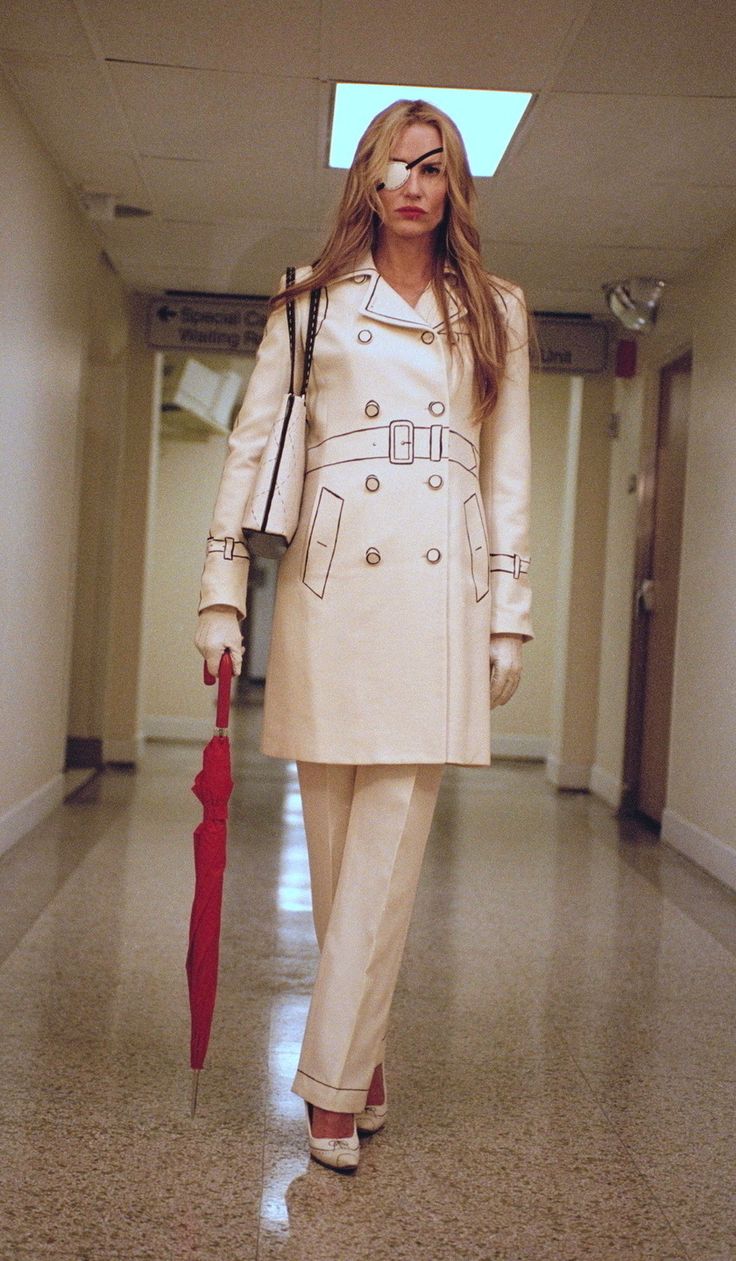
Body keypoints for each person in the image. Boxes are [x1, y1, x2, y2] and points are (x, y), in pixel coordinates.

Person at [195, 98, 533, 1172]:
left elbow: (509, 468)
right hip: (331, 581)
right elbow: (251, 448)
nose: (412, 187)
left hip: (439, 587)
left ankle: (332, 1083)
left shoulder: (497, 309)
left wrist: (509, 609)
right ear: (365, 181)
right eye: (392, 167)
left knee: (390, 847)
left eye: (431, 168)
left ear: (453, 185)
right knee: (340, 848)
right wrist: (219, 592)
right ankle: (365, 1045)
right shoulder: (307, 299)